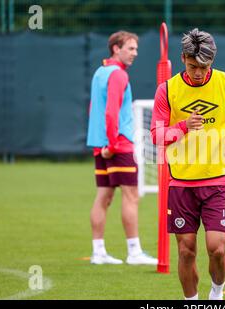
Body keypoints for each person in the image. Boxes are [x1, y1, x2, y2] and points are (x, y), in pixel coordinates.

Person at [150, 28, 225, 299]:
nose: (199, 72)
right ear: (183, 58)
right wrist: (183, 126)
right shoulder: (167, 89)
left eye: (204, 67)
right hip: (181, 184)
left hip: (217, 180)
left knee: (217, 248)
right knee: (186, 251)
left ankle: (217, 293)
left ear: (212, 61)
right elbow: (157, 136)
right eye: (193, 66)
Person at [86, 31, 157, 266]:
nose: (135, 53)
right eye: (130, 48)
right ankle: (134, 252)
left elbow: (94, 109)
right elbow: (111, 112)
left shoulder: (100, 72)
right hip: (118, 144)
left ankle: (98, 252)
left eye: (136, 49)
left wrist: (103, 145)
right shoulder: (117, 75)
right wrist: (112, 145)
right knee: (131, 196)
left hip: (101, 143)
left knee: (104, 196)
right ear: (116, 48)